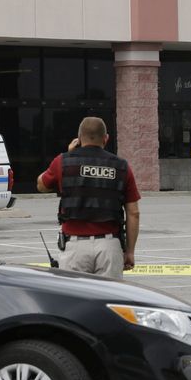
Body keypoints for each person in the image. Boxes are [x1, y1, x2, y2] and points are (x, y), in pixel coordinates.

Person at [36, 116, 140, 279]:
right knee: (110, 300)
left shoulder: (63, 162)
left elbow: (41, 185)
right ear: (106, 138)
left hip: (75, 248)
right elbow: (133, 213)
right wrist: (130, 252)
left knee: (75, 302)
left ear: (79, 138)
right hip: (109, 247)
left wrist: (69, 154)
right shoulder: (122, 167)